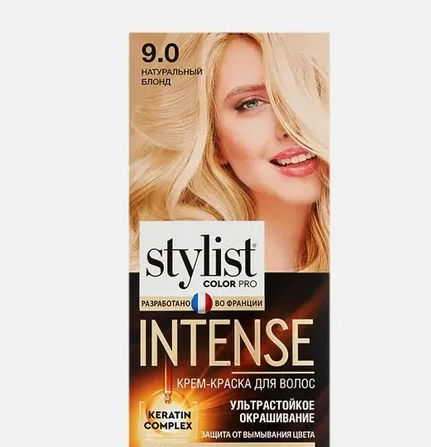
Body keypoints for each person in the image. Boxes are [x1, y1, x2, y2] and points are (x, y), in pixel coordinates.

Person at [130, 32, 329, 272]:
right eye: (251, 103)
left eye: (307, 89)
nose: (289, 126)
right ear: (213, 142)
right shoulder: (177, 270)